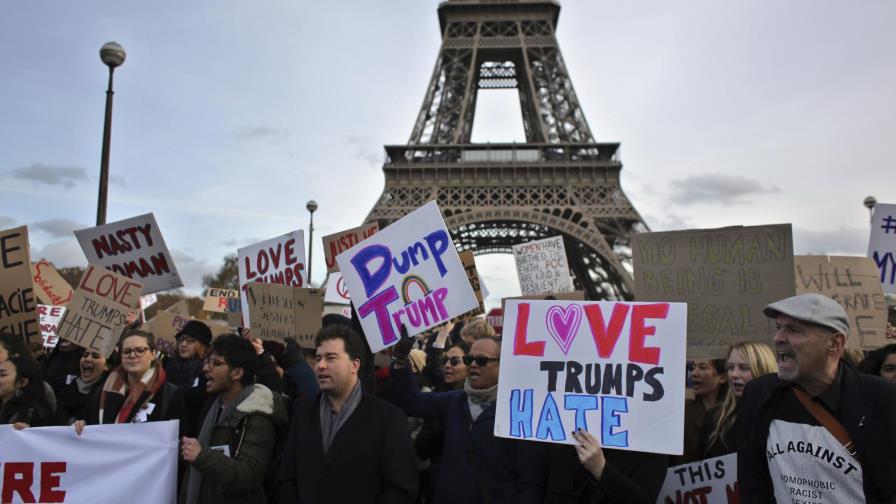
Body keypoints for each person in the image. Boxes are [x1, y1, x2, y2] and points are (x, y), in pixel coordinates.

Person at [738, 293, 896, 503]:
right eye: (779, 328)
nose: (778, 338)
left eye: (794, 330)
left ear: (835, 343)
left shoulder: (882, 399)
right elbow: (752, 481)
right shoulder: (759, 394)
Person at [390, 334, 545, 503]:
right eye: (469, 359)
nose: (473, 364)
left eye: (482, 360)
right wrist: (401, 360)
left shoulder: (519, 410)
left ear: (503, 365)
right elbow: (412, 402)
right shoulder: (455, 400)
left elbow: (530, 478)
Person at [276, 324, 418, 503]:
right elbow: (288, 477)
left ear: (354, 365)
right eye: (318, 358)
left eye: (331, 358)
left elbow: (400, 489)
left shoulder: (389, 419)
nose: (321, 365)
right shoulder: (303, 415)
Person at [179, 334, 288, 504]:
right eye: (207, 362)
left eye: (216, 364)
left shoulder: (258, 416)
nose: (206, 368)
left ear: (237, 373)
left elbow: (249, 476)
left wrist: (201, 455)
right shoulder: (212, 406)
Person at [74, 328, 187, 436]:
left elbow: (177, 437)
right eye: (126, 351)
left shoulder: (170, 394)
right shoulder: (103, 390)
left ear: (153, 354)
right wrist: (82, 425)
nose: (132, 355)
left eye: (140, 350)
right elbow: (88, 421)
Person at [698, 342, 777, 458]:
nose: (734, 374)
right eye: (730, 368)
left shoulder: (779, 418)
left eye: (743, 368)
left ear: (763, 370)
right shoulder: (715, 418)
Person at [674, 358, 727, 464]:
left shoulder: (734, 413)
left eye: (703, 368)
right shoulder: (682, 410)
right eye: (693, 368)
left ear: (722, 378)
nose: (694, 373)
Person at [59, 347, 117, 424]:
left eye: (95, 356)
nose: (88, 359)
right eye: (85, 355)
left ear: (107, 366)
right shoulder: (67, 388)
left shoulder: (106, 396)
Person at [0, 354, 55, 428]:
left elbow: (44, 434)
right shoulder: (3, 404)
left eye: (2, 375)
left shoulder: (37, 412)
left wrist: (29, 431)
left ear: (23, 382)